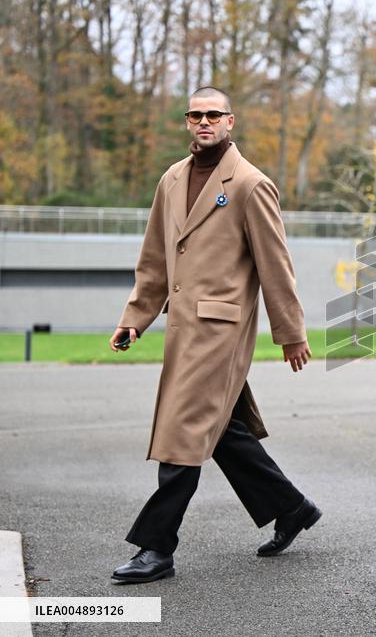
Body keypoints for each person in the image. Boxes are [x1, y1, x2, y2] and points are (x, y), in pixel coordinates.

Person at [108, 86, 320, 584]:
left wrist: (290, 331)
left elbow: (276, 266)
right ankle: (291, 508)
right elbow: (156, 259)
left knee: (182, 429)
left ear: (231, 121)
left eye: (213, 115)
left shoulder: (249, 184)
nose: (204, 122)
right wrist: (136, 316)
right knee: (221, 430)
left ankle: (156, 545)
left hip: (221, 331)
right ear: (187, 122)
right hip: (183, 330)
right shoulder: (171, 179)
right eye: (195, 115)